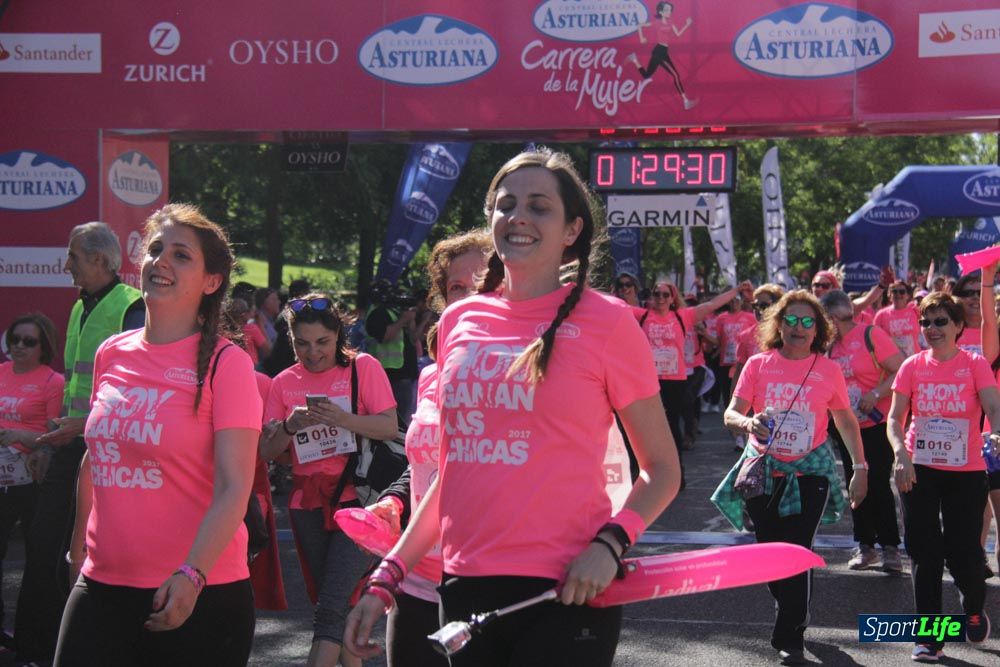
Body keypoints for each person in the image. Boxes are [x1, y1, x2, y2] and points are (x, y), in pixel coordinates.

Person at [344, 148, 680, 666]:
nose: (519, 217)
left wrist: (610, 544)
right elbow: (453, 473)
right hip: (462, 585)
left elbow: (662, 469)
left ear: (572, 230)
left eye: (539, 207)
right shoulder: (458, 321)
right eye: (506, 205)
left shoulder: (609, 322)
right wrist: (388, 575)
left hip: (569, 589)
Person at [53, 204, 262, 666]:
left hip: (196, 593)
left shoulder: (227, 365)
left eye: (181, 255)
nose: (160, 261)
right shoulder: (112, 352)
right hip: (100, 584)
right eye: (155, 249)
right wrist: (76, 552)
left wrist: (193, 574)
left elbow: (234, 486)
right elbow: (96, 458)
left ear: (212, 281)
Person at [714, 289, 867, 666]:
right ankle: (792, 609)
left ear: (818, 329)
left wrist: (860, 468)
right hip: (763, 471)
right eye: (791, 320)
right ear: (778, 325)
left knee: (796, 551)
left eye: (807, 321)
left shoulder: (828, 370)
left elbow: (845, 421)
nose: (798, 327)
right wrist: (747, 423)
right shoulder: (758, 365)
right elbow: (731, 413)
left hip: (810, 472)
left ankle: (790, 634)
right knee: (770, 554)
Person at [15, 222, 144, 665]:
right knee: (45, 544)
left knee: (87, 554)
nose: (66, 264)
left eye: (73, 256)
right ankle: (38, 650)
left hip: (113, 451)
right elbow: (74, 385)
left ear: (98, 259)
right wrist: (50, 443)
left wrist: (83, 425)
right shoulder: (78, 307)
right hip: (71, 446)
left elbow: (140, 391)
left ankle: (85, 647)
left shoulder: (132, 306)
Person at [367, 229, 492, 667]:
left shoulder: (523, 373)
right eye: (456, 286)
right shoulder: (431, 375)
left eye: (482, 282)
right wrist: (395, 500)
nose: (469, 296)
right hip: (416, 576)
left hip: (483, 581)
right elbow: (427, 461)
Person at [259, 294, 398, 667]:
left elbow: (389, 427)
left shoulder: (362, 367)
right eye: (302, 343)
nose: (313, 352)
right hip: (306, 504)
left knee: (331, 608)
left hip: (359, 501)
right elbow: (267, 450)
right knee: (337, 605)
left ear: (338, 335)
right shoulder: (283, 382)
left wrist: (341, 418)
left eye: (322, 342)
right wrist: (290, 426)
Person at [887, 291, 999, 662]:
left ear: (958, 326)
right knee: (924, 551)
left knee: (964, 552)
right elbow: (894, 418)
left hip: (966, 471)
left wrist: (997, 432)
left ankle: (973, 605)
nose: (931, 329)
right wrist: (901, 454)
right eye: (925, 322)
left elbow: (993, 405)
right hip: (919, 467)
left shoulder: (974, 363)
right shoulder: (912, 366)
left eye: (940, 322)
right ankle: (929, 636)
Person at [821, 290, 905, 573]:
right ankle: (865, 545)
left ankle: (890, 547)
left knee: (878, 482)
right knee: (855, 482)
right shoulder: (829, 347)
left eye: (823, 321)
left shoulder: (871, 335)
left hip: (877, 424)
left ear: (833, 318)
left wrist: (876, 393)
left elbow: (900, 370)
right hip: (847, 427)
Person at [0, 313, 63, 644]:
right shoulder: (0, 373)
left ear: (44, 347)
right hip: (2, 481)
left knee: (37, 560)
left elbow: (54, 436)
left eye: (29, 341)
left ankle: (31, 639)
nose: (19, 346)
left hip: (33, 480)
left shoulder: (53, 382)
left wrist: (20, 436)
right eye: (15, 339)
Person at [639, 278, 737, 460]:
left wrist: (736, 290)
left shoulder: (681, 316)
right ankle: (654, 465)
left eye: (665, 295)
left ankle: (677, 467)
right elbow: (615, 308)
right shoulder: (642, 315)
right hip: (650, 380)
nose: (660, 298)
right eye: (657, 294)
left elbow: (712, 304)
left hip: (675, 381)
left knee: (673, 423)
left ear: (672, 298)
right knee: (650, 425)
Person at [366, 283, 419, 428]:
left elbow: (413, 338)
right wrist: (403, 320)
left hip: (404, 373)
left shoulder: (395, 312)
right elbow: (384, 337)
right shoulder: (378, 313)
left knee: (405, 419)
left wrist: (411, 320)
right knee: (396, 421)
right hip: (390, 374)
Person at [628, 2, 697, 109]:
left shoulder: (671, 23)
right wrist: (641, 38)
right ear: (661, 12)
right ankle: (685, 101)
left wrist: (687, 25)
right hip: (659, 51)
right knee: (676, 75)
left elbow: (678, 34)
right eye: (666, 10)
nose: (669, 12)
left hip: (663, 51)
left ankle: (634, 60)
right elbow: (640, 25)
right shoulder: (657, 23)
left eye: (670, 10)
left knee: (646, 75)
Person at [873, 280, 922, 358]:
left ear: (907, 295)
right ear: (890, 294)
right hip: (892, 360)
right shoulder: (881, 314)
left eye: (902, 292)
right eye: (894, 292)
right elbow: (875, 339)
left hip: (914, 358)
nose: (898, 294)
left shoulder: (914, 310)